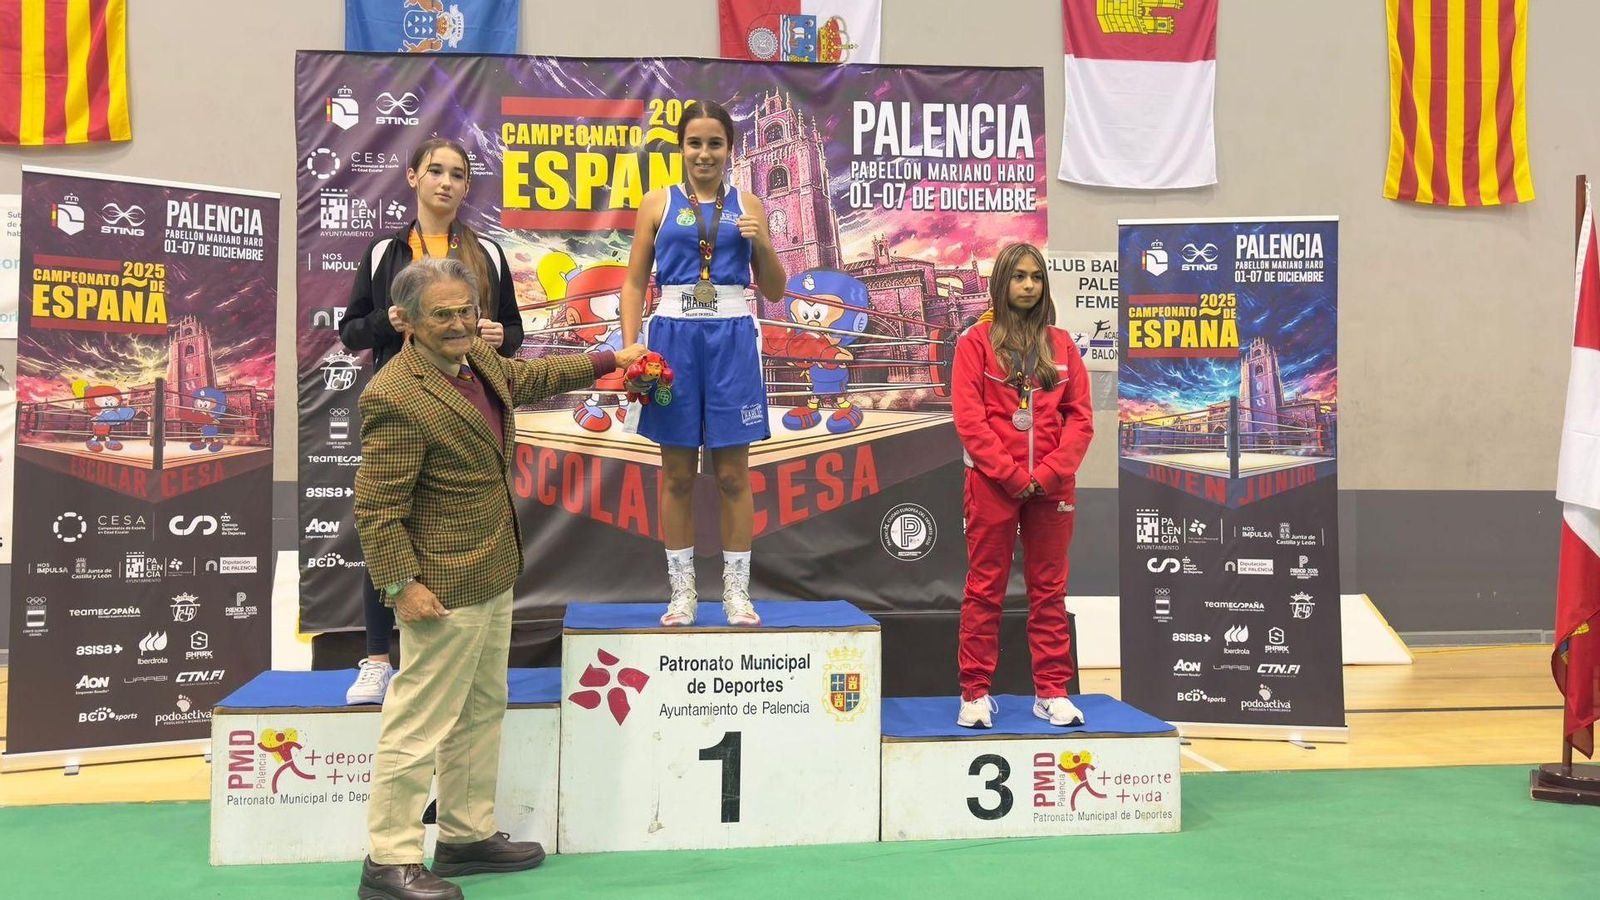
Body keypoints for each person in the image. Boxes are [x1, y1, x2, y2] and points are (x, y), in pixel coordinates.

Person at [354, 257, 644, 900]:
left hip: (492, 568)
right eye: (443, 314)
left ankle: (463, 835)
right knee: (418, 721)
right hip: (439, 588)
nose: (459, 323)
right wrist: (403, 585)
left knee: (481, 709)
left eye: (465, 310)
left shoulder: (477, 362)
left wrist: (610, 360)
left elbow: (531, 374)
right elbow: (376, 509)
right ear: (406, 321)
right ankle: (389, 860)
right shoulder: (393, 396)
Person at [338, 136, 526, 705]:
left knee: (458, 531)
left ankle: (466, 646)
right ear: (412, 177)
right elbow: (350, 333)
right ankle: (375, 657)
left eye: (458, 174)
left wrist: (499, 337)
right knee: (388, 525)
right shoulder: (384, 253)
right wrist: (386, 323)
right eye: (435, 171)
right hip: (405, 403)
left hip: (467, 406)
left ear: (468, 187)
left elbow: (514, 333)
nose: (446, 182)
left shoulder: (489, 253)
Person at [621, 99, 786, 627]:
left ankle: (736, 593)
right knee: (676, 475)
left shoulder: (750, 204)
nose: (704, 153)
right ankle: (682, 593)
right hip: (671, 339)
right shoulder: (656, 203)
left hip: (732, 338)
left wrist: (762, 245)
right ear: (681, 148)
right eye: (695, 142)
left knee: (735, 474)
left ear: (729, 149)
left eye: (715, 142)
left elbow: (777, 290)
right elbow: (632, 282)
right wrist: (630, 348)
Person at [951, 242, 1094, 729]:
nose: (1028, 285)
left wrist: (1048, 475)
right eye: (1018, 277)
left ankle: (1052, 691)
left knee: (1049, 592)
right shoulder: (975, 342)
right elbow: (970, 421)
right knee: (985, 589)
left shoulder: (1063, 344)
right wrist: (1013, 476)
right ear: (1002, 283)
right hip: (992, 484)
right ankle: (974, 693)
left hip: (1051, 489)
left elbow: (1081, 421)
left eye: (1036, 277)